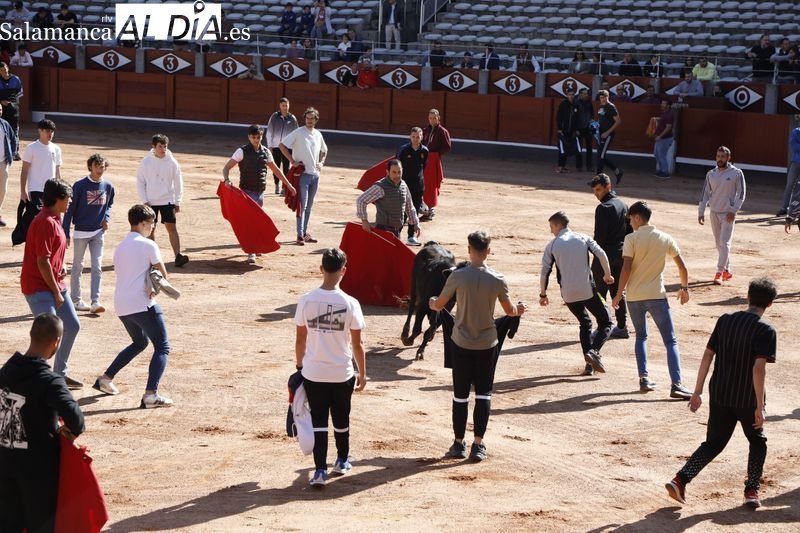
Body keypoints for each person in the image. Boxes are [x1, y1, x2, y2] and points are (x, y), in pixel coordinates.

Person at [665, 277, 777, 509]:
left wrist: (696, 392)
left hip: (720, 393)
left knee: (713, 443)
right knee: (757, 442)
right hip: (746, 398)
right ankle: (751, 489)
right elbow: (758, 369)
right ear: (770, 304)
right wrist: (759, 406)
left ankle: (680, 479)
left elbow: (707, 356)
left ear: (748, 297)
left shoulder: (725, 320)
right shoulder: (765, 330)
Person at [429, 231, 526, 462]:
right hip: (486, 343)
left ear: (469, 250)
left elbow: (439, 304)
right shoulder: (498, 279)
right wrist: (519, 311)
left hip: (461, 342)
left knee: (460, 396)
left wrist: (432, 302)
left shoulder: (458, 276)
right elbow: (510, 311)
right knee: (483, 395)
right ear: (488, 251)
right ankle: (478, 444)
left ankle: (458, 443)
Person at [0, 313, 85, 533]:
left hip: (4, 463)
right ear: (57, 342)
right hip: (38, 471)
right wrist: (66, 433)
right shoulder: (50, 381)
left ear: (30, 335)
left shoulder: (4, 373)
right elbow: (76, 419)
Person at [294, 247, 366, 487]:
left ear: (321, 269)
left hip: (314, 372)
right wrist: (363, 373)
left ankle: (320, 471)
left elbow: (300, 340)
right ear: (344, 270)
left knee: (319, 422)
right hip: (341, 372)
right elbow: (358, 344)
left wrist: (299, 365)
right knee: (341, 418)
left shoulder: (305, 300)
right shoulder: (351, 303)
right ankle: (342, 460)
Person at [92, 204, 174, 409]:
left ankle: (106, 378)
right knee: (162, 346)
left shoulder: (121, 247)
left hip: (121, 305)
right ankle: (150, 395)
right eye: (151, 224)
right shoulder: (148, 245)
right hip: (142, 303)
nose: (153, 227)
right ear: (143, 223)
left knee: (139, 343)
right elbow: (163, 275)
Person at [612, 201, 691, 399]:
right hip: (656, 295)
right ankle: (676, 384)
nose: (630, 223)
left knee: (641, 336)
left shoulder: (631, 239)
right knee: (670, 341)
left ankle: (644, 378)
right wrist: (684, 288)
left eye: (631, 219)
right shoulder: (665, 238)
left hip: (635, 297)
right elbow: (682, 267)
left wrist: (618, 293)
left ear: (638, 218)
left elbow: (627, 268)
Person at [20, 178, 83, 389]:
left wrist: (62, 264)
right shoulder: (45, 222)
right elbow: (42, 260)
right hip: (40, 288)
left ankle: (59, 374)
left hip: (53, 283)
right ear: (58, 199)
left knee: (72, 326)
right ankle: (37, 380)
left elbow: (52, 254)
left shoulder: (55, 219)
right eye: (68, 197)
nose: (71, 200)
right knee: (47, 335)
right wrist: (56, 292)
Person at [540, 211, 613, 375]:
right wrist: (607, 274)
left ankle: (590, 365)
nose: (551, 230)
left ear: (559, 225)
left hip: (568, 294)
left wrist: (543, 294)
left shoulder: (552, 245)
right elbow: (601, 253)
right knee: (606, 322)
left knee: (585, 323)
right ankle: (593, 352)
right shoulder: (583, 238)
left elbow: (545, 271)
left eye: (552, 226)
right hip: (587, 289)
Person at [222, 124, 295, 263]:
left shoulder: (266, 152)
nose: (256, 140)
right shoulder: (241, 151)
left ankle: (254, 247)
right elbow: (226, 167)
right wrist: (226, 179)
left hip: (260, 193)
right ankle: (251, 252)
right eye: (253, 137)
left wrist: (288, 184)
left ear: (262, 137)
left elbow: (276, 170)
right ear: (249, 137)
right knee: (251, 223)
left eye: (258, 137)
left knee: (256, 222)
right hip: (246, 193)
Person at [62, 154, 114, 314]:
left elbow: (109, 204)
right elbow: (69, 209)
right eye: (97, 166)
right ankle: (76, 300)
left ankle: (95, 301)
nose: (100, 169)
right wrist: (66, 232)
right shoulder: (79, 185)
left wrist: (106, 217)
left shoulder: (108, 186)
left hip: (98, 232)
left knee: (97, 266)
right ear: (90, 166)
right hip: (80, 232)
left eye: (102, 166)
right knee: (78, 267)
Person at [589, 173, 631, 345]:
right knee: (618, 291)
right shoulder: (624, 205)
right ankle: (622, 326)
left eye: (599, 190)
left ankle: (602, 326)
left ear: (608, 187)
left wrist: (595, 255)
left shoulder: (603, 208)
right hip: (621, 255)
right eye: (594, 191)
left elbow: (599, 237)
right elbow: (630, 233)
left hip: (604, 256)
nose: (596, 194)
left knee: (598, 292)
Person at [136, 133, 188, 268]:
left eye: (165, 146)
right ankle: (151, 258)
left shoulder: (172, 162)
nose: (163, 149)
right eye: (160, 146)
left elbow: (178, 182)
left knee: (172, 227)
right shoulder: (146, 162)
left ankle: (178, 255)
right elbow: (140, 182)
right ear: (154, 147)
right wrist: (144, 200)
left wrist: (178, 201)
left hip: (167, 201)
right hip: (151, 202)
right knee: (150, 230)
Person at [698, 146, 746, 285]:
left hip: (728, 213)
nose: (720, 159)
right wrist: (701, 211)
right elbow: (705, 193)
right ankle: (727, 269)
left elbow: (741, 194)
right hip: (714, 212)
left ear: (728, 158)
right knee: (719, 244)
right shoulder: (710, 174)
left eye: (723, 157)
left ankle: (719, 272)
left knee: (724, 243)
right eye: (718, 156)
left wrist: (733, 210)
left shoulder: (737, 173)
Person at [280, 107, 328, 246]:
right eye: (307, 118)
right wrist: (292, 161)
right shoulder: (298, 132)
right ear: (305, 119)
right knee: (302, 205)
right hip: (302, 175)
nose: (309, 120)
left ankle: (304, 232)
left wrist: (321, 163)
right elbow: (282, 146)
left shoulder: (318, 134)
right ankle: (300, 234)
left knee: (309, 206)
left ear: (316, 120)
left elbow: (324, 151)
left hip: (315, 175)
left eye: (312, 118)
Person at [356, 159, 420, 242]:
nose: (397, 175)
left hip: (397, 230)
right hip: (383, 229)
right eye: (394, 172)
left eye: (399, 172)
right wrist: (364, 221)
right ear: (387, 172)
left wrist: (416, 223)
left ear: (402, 171)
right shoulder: (381, 186)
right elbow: (361, 200)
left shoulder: (403, 185)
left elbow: (409, 206)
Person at [396, 127, 428, 246]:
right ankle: (397, 234)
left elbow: (423, 167)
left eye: (418, 137)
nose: (415, 139)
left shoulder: (425, 151)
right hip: (404, 184)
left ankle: (411, 236)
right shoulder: (403, 150)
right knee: (402, 210)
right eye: (413, 137)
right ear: (410, 137)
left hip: (418, 186)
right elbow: (397, 166)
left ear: (422, 137)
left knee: (414, 210)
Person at [20, 119, 61, 209]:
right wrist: (23, 191)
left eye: (52, 131)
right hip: (35, 188)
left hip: (51, 189)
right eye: (47, 131)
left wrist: (59, 189)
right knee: (37, 213)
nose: (50, 134)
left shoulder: (56, 149)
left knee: (50, 215)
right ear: (40, 130)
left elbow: (57, 172)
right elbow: (24, 171)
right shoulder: (31, 148)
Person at [421, 108, 451, 219]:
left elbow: (447, 147)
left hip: (433, 161)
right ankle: (424, 208)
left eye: (434, 118)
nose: (432, 120)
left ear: (438, 118)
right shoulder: (425, 130)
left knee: (431, 184)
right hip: (423, 161)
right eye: (430, 118)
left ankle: (430, 209)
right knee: (422, 183)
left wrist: (436, 154)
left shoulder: (442, 131)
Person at [266, 97, 299, 196]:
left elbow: (296, 134)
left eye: (286, 105)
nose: (285, 108)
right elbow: (269, 132)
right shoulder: (274, 117)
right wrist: (270, 146)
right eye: (283, 106)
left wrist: (295, 147)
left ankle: (285, 187)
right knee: (276, 166)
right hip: (276, 146)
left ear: (289, 106)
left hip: (287, 147)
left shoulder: (292, 119)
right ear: (280, 106)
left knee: (286, 168)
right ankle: (277, 185)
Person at [596, 89, 623, 184]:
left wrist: (607, 132)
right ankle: (617, 171)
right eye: (601, 98)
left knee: (601, 157)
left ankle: (597, 180)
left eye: (604, 97)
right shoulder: (601, 106)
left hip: (607, 135)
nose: (602, 99)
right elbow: (601, 119)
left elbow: (618, 121)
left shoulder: (611, 107)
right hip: (601, 134)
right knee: (600, 156)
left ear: (608, 97)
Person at [555, 88, 582, 173]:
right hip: (563, 130)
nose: (571, 96)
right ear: (567, 95)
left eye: (573, 94)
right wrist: (559, 129)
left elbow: (577, 118)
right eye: (570, 94)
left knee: (567, 149)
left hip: (571, 131)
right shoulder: (563, 104)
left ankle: (563, 166)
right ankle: (560, 166)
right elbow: (559, 117)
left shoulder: (576, 104)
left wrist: (576, 129)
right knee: (562, 149)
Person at [777, 118, 800, 216]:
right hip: (796, 162)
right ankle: (785, 207)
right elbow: (794, 147)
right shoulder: (796, 131)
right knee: (790, 185)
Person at [0, 62, 23, 160]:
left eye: (5, 69)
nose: (4, 71)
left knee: (14, 130)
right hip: (1, 109)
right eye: (1, 70)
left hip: (13, 109)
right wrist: (1, 101)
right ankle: (4, 151)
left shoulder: (15, 79)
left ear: (7, 68)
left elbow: (20, 93)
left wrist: (13, 103)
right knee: (2, 130)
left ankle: (15, 152)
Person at [0, 103, 17, 227]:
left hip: (2, 161)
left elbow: (13, 139)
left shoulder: (5, 124)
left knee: (2, 190)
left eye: (0, 110)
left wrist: (11, 153)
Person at [653, 99, 674, 179]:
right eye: (662, 103)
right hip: (662, 138)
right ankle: (662, 170)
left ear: (668, 105)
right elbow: (664, 121)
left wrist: (660, 136)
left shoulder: (669, 114)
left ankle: (665, 172)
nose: (662, 105)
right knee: (657, 154)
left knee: (661, 155)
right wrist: (658, 119)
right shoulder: (665, 113)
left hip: (665, 138)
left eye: (664, 104)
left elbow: (668, 127)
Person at [575, 88, 594, 172]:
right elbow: (574, 117)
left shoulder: (589, 103)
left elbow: (592, 114)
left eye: (587, 94)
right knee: (579, 148)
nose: (586, 95)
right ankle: (579, 166)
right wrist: (575, 128)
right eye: (584, 94)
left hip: (588, 129)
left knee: (589, 148)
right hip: (579, 128)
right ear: (580, 94)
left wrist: (591, 124)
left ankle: (589, 166)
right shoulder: (576, 103)